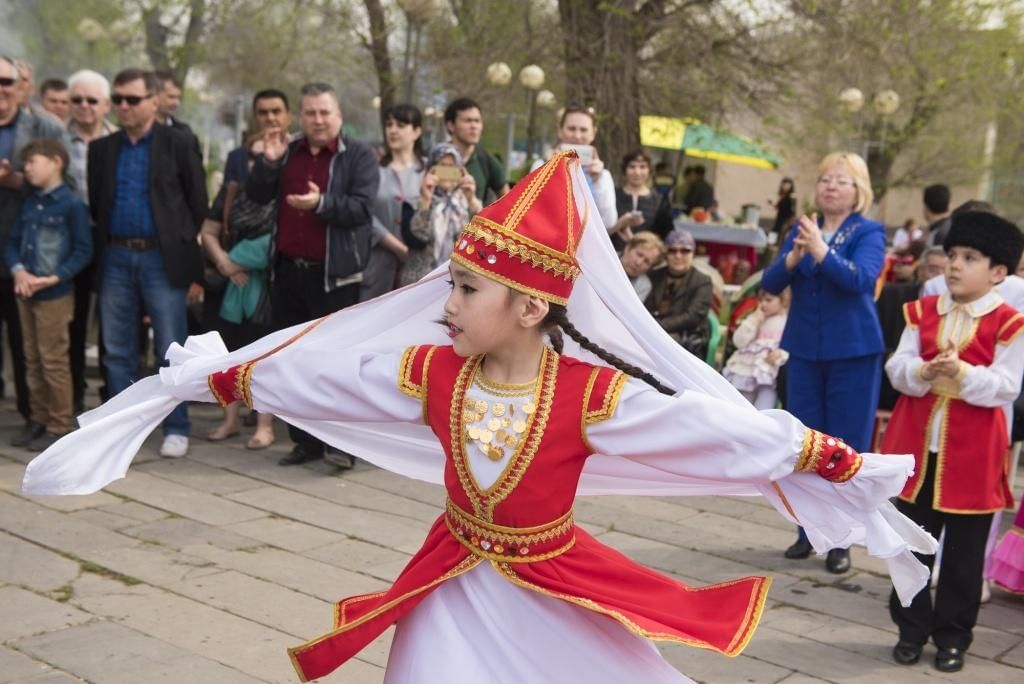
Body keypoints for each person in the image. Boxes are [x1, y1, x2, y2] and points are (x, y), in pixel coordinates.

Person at [23, 150, 937, 684]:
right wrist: (225, 377)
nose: (445, 304)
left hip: (557, 587)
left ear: (532, 308)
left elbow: (714, 428)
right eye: (450, 285)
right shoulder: (432, 376)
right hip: (451, 581)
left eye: (464, 288)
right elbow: (329, 376)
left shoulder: (593, 397)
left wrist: (838, 461)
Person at [883, 211, 1024, 673]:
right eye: (953, 256)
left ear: (999, 273)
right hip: (918, 450)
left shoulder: (1009, 324)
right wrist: (923, 371)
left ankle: (953, 637)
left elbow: (1006, 385)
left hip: (974, 454)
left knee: (963, 558)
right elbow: (897, 368)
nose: (955, 265)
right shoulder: (922, 313)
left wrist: (961, 372)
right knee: (910, 545)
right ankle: (909, 628)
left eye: (970, 258)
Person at [761, 151, 887, 574]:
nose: (831, 186)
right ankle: (806, 531)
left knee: (846, 446)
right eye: (825, 179)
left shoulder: (868, 231)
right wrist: (794, 257)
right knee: (805, 445)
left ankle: (843, 541)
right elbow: (771, 282)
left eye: (842, 181)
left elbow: (861, 280)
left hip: (853, 350)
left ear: (858, 192)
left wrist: (821, 250)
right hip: (806, 351)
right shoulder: (801, 228)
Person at [246, 81, 379, 468]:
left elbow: (362, 209)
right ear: (299, 117)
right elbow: (255, 198)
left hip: (335, 277)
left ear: (339, 116)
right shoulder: (287, 152)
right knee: (292, 363)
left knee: (334, 367)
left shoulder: (358, 156)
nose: (318, 120)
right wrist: (268, 163)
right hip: (289, 273)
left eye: (325, 113)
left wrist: (321, 203)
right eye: (310, 113)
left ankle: (341, 446)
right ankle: (304, 442)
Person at [88, 67, 207, 458]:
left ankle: (176, 426)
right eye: (118, 98)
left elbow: (197, 203)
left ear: (153, 101)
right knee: (116, 350)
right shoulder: (102, 149)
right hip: (117, 255)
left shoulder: (178, 142)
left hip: (161, 257)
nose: (123, 106)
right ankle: (124, 430)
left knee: (170, 348)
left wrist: (190, 266)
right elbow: (97, 204)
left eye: (132, 99)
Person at [3, 137, 92, 450]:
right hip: (26, 291)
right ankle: (37, 420)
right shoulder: (30, 203)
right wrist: (18, 270)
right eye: (25, 163)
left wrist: (55, 277)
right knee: (31, 360)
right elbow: (12, 241)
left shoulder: (71, 205)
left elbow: (83, 250)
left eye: (32, 161)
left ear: (56, 162)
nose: (26, 168)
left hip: (55, 293)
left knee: (53, 359)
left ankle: (59, 423)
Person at [0, 55, 70, 440]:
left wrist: (12, 178)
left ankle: (37, 419)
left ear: (21, 85)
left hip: (24, 256)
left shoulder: (42, 125)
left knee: (30, 347)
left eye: (6, 81)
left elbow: (62, 182)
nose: (1, 89)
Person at [199, 135, 276, 449]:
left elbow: (278, 243)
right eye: (253, 157)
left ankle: (264, 426)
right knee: (226, 356)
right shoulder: (231, 192)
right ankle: (229, 420)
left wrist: (241, 259)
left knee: (267, 358)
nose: (258, 164)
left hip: (267, 289)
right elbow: (208, 232)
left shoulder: (282, 195)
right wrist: (226, 263)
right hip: (230, 284)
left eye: (265, 158)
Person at [66, 69, 115, 414]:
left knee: (114, 324)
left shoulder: (118, 141)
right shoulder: (55, 139)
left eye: (91, 100)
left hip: (109, 242)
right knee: (74, 322)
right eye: (77, 100)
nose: (84, 106)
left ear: (106, 105)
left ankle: (113, 396)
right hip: (68, 246)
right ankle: (73, 392)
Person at [361, 103, 426, 300]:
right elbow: (364, 212)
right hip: (377, 264)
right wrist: (397, 247)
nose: (393, 130)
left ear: (416, 131)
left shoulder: (429, 171)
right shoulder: (372, 169)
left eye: (401, 125)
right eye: (389, 125)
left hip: (419, 268)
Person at [399, 143, 480, 287]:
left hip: (457, 284)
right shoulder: (412, 203)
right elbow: (417, 239)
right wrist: (425, 200)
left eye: (452, 167)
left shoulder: (466, 204)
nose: (447, 172)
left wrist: (471, 200)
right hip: (420, 284)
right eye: (442, 166)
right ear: (431, 169)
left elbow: (480, 241)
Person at [541, 104, 617, 230]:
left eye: (583, 130)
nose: (577, 136)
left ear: (593, 133)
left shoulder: (603, 176)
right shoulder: (541, 165)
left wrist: (597, 181)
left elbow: (609, 222)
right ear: (560, 131)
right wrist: (549, 171)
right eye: (571, 129)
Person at [645, 229, 713, 359]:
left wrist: (657, 327)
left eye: (685, 250)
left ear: (693, 253)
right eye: (672, 250)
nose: (678, 255)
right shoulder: (654, 276)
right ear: (666, 254)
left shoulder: (703, 281)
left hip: (687, 338)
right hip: (652, 334)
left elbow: (693, 316)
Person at [723, 289, 789, 409]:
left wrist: (782, 353)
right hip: (747, 371)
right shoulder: (755, 319)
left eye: (769, 300)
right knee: (742, 406)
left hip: (770, 376)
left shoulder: (787, 321)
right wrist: (754, 321)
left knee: (764, 409)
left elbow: (793, 344)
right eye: (761, 300)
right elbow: (738, 342)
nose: (763, 304)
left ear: (783, 301)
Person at [222, 89, 292, 188]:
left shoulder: (301, 153)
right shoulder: (237, 158)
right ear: (255, 118)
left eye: (276, 111)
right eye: (263, 113)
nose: (270, 118)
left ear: (289, 117)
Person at [443, 97, 507, 204]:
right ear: (451, 125)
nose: (474, 126)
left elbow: (507, 200)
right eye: (467, 121)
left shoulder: (486, 160)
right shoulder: (436, 158)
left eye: (477, 121)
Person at [610, 149, 672, 251]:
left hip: (645, 259)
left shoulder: (660, 200)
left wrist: (636, 242)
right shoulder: (612, 195)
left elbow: (665, 235)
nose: (637, 172)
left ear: (649, 170)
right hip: (612, 254)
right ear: (625, 170)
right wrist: (621, 223)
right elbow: (599, 229)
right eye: (632, 166)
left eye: (642, 167)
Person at [619, 231, 664, 301]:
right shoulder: (604, 257)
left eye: (647, 261)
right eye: (639, 254)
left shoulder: (644, 285)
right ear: (628, 248)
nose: (638, 262)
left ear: (650, 268)